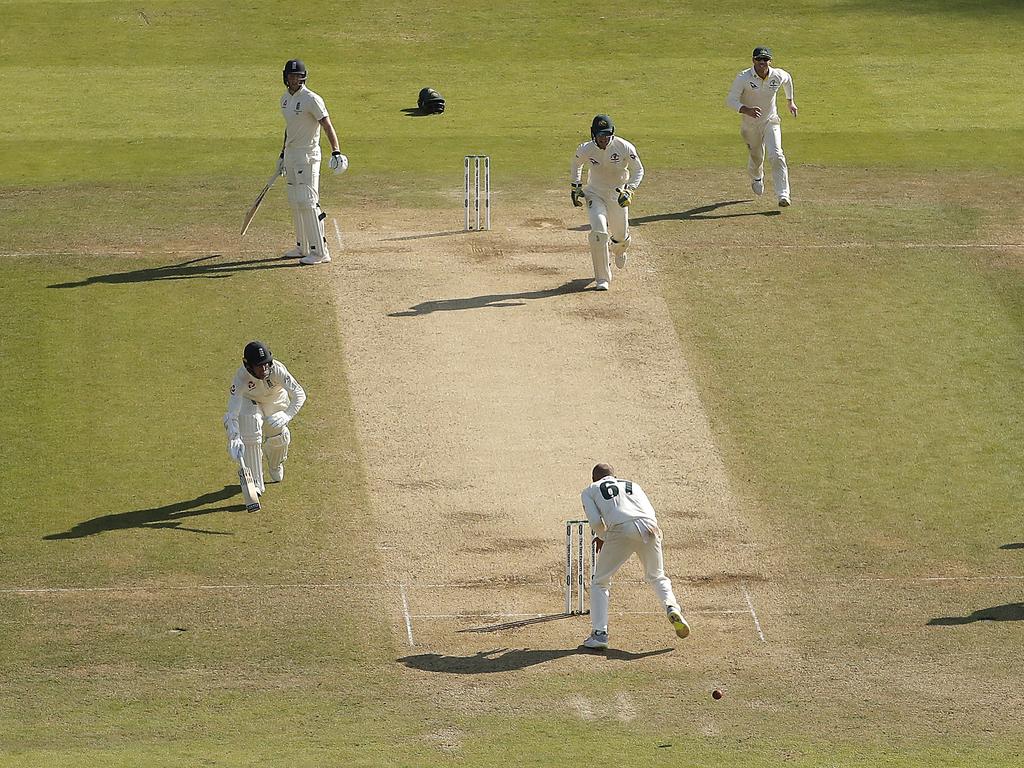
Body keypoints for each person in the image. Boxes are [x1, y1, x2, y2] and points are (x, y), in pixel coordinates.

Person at [579, 463, 690, 650]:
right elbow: (649, 511)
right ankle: (672, 607)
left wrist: (604, 537)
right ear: (614, 476)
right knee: (657, 576)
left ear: (593, 478)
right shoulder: (633, 485)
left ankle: (599, 634)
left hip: (621, 529)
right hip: (650, 526)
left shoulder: (590, 490)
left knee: (600, 581)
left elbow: (596, 522)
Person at [278, 59, 348, 266]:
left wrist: (336, 151)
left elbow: (327, 125)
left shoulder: (312, 99)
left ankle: (320, 252)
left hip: (307, 156)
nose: (293, 79)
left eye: (297, 76)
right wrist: (282, 154)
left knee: (308, 201)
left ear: (303, 77)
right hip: (291, 155)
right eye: (290, 76)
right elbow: (290, 127)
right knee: (295, 200)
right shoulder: (284, 99)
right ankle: (303, 247)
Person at [570, 114, 644, 291]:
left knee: (619, 234)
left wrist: (630, 190)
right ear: (593, 135)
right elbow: (576, 163)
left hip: (617, 195)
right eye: (600, 135)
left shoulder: (623, 146)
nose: (603, 139)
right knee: (598, 231)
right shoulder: (586, 149)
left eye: (606, 135)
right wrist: (576, 187)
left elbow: (638, 170)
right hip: (594, 193)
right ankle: (602, 277)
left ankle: (620, 249)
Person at [223, 341, 306, 495]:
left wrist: (287, 414)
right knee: (250, 424)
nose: (264, 368)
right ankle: (255, 483)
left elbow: (299, 394)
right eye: (259, 366)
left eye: (266, 364)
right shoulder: (240, 378)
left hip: (276, 402)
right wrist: (234, 437)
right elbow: (232, 412)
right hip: (250, 402)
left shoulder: (277, 370)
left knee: (278, 439)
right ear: (248, 366)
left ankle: (275, 464)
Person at [725, 46, 798, 207]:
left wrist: (790, 101)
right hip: (750, 125)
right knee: (757, 157)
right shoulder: (743, 77)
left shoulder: (777, 75)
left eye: (765, 59)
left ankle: (783, 194)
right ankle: (757, 177)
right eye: (759, 59)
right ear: (753, 60)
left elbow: (788, 79)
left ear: (770, 61)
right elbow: (730, 100)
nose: (762, 63)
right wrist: (746, 110)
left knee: (777, 154)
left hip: (770, 121)